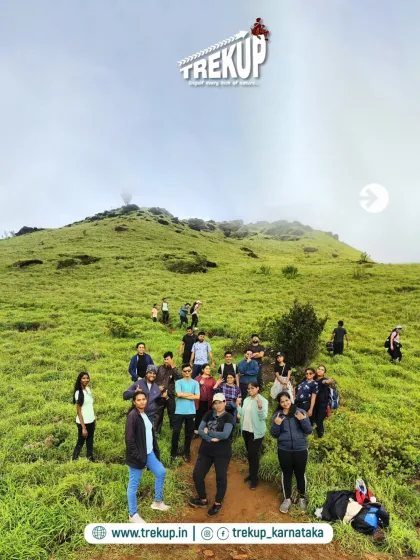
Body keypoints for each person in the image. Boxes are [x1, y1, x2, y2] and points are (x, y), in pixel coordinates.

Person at [125, 391, 170, 523]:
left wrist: (155, 451)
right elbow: (129, 440)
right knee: (133, 484)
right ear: (134, 402)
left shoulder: (144, 414)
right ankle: (132, 514)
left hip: (149, 453)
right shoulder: (133, 416)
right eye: (138, 400)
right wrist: (139, 457)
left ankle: (157, 502)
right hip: (138, 456)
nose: (141, 402)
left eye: (143, 399)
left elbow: (150, 435)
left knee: (161, 472)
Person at [189, 393, 234, 517]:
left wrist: (210, 432)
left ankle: (218, 503)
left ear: (225, 402)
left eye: (220, 402)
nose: (218, 405)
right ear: (213, 404)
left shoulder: (229, 417)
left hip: (222, 452)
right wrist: (210, 438)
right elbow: (200, 430)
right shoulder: (209, 414)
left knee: (220, 477)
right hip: (206, 450)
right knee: (197, 474)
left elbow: (225, 435)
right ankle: (203, 500)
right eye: (216, 403)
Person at [270, 391, 312, 514]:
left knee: (300, 473)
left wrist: (303, 420)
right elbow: (274, 434)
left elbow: (308, 430)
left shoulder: (300, 412)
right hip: (284, 449)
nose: (285, 403)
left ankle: (302, 498)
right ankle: (287, 499)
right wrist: (277, 424)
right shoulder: (277, 416)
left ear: (291, 399)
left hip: (300, 448)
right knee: (286, 474)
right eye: (282, 401)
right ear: (279, 403)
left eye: (287, 400)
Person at [237, 382, 268, 490]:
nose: (250, 390)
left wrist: (259, 407)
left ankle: (254, 480)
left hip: (256, 432)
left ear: (257, 388)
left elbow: (264, 417)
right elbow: (242, 413)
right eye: (248, 389)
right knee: (250, 455)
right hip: (246, 431)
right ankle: (251, 474)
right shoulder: (246, 400)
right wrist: (238, 406)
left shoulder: (263, 400)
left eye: (252, 388)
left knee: (253, 454)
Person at [171, 363, 200, 462]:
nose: (187, 372)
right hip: (179, 411)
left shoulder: (195, 383)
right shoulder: (178, 382)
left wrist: (184, 395)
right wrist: (190, 394)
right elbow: (178, 394)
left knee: (189, 433)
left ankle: (186, 453)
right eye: (185, 371)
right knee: (176, 432)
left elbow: (197, 396)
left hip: (191, 411)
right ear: (182, 372)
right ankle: (173, 453)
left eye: (188, 370)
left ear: (191, 371)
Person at [154, 352, 181, 434]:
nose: (166, 361)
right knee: (158, 414)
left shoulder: (174, 369)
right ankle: (156, 432)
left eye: (168, 359)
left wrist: (173, 366)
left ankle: (173, 432)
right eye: (165, 359)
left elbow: (179, 378)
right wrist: (157, 388)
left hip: (170, 395)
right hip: (159, 395)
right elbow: (152, 380)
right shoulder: (159, 368)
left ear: (172, 359)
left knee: (172, 413)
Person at [72, 372, 96, 461]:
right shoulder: (78, 393)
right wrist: (83, 428)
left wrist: (94, 420)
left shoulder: (88, 390)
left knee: (90, 441)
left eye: (87, 378)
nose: (86, 380)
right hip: (83, 422)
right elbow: (79, 411)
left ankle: (90, 458)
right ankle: (74, 459)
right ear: (80, 379)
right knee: (80, 442)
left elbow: (90, 407)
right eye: (83, 378)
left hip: (91, 420)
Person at [313, 365, 335, 438]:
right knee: (315, 420)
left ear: (324, 373)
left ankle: (321, 438)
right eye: (319, 369)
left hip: (322, 404)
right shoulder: (313, 379)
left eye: (322, 370)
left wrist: (329, 381)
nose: (320, 370)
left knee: (318, 421)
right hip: (314, 404)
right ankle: (318, 437)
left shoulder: (323, 379)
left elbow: (326, 381)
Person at [194, 363, 217, 431]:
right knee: (198, 415)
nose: (208, 370)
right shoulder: (197, 378)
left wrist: (217, 384)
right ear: (203, 369)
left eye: (209, 368)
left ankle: (206, 430)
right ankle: (196, 430)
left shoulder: (212, 379)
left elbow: (215, 390)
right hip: (199, 401)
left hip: (209, 401)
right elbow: (193, 389)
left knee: (207, 415)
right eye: (206, 368)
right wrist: (199, 384)